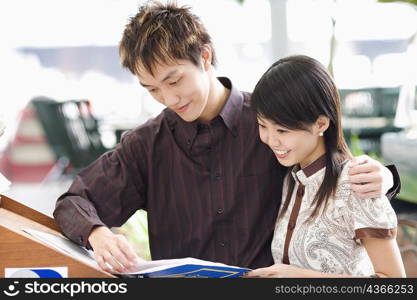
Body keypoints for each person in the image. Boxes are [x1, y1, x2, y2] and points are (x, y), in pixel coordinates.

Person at [53, 2, 400, 274]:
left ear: (204, 57)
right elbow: (73, 202)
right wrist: (97, 234)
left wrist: (385, 176)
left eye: (174, 81)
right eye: (152, 89)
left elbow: (332, 169)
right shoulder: (147, 144)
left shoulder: (267, 123)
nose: (168, 99)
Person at [246, 55, 405, 278]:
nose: (272, 140)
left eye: (282, 130)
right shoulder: (291, 177)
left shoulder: (357, 182)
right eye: (263, 126)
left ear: (321, 123)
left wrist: (301, 278)